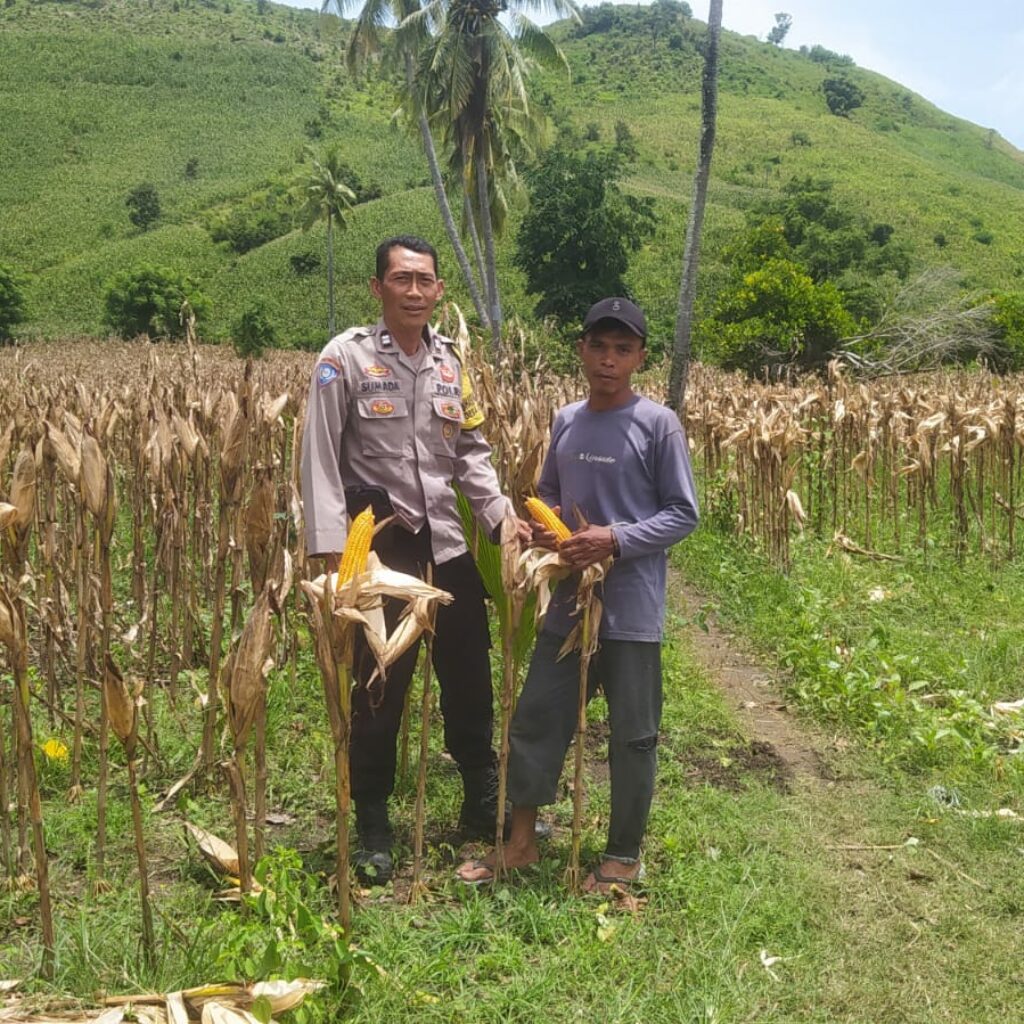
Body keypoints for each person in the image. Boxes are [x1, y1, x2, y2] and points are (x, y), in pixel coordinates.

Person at [301, 235, 529, 885]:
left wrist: (500, 516)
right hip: (379, 547)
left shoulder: (452, 365)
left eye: (424, 280)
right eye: (400, 279)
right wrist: (328, 552)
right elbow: (319, 454)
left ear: (438, 291)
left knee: (469, 677)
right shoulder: (342, 359)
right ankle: (372, 814)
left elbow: (472, 453)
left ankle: (479, 798)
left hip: (449, 545)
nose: (413, 291)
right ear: (377, 288)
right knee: (378, 686)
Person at [457, 297, 699, 891]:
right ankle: (520, 842)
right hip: (566, 601)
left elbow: (683, 514)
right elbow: (548, 493)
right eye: (598, 346)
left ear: (641, 357)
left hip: (631, 605)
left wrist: (614, 539)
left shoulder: (657, 424)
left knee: (633, 733)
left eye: (622, 349)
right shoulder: (566, 420)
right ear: (582, 350)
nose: (608, 360)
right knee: (537, 716)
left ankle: (622, 855)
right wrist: (549, 528)